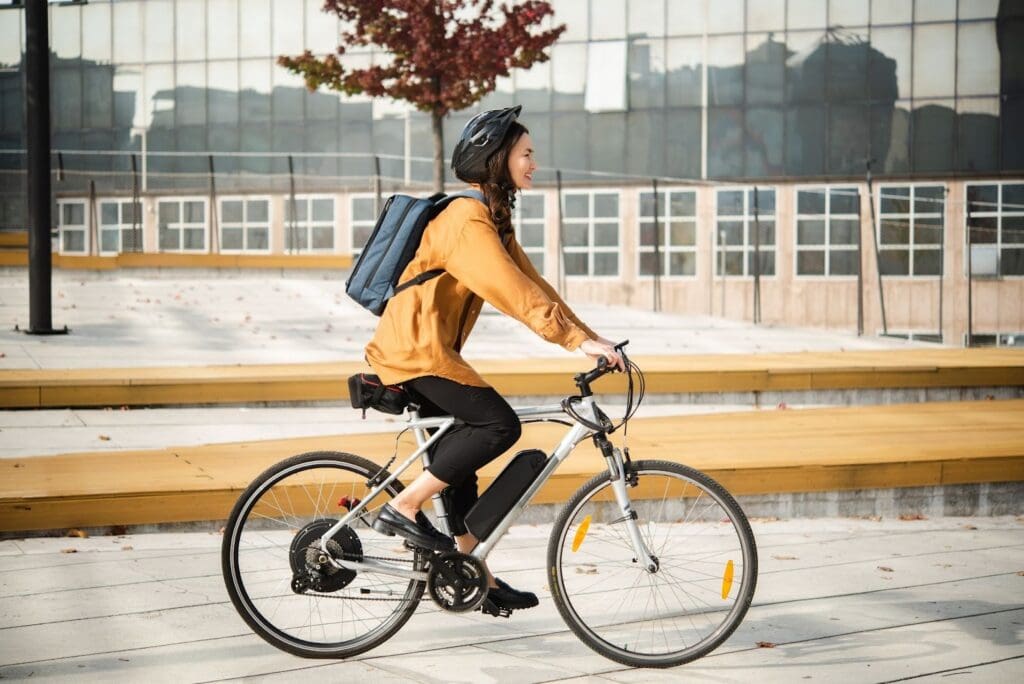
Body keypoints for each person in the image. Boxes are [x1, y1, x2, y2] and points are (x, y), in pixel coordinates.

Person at [367, 105, 624, 612]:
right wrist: (571, 340)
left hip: (430, 352)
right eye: (527, 154)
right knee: (497, 426)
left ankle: (469, 571)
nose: (534, 163)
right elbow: (509, 291)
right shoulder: (467, 219)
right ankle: (403, 505)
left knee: (461, 467)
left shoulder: (493, 220)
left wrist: (593, 339)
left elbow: (535, 286)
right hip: (413, 353)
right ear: (498, 158)